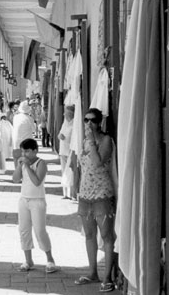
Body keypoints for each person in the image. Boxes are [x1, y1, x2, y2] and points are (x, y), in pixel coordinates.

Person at [74, 108, 116, 293]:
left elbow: (99, 162)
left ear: (99, 123)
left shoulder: (105, 140)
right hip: (85, 194)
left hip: (102, 194)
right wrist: (77, 186)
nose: (88, 124)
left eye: (92, 121)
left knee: (107, 236)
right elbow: (80, 166)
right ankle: (92, 272)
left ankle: (107, 277)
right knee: (89, 235)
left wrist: (91, 141)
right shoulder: (84, 141)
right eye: (86, 120)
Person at [13, 138, 58, 273]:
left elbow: (37, 182)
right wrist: (18, 166)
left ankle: (50, 259)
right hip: (24, 199)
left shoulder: (41, 163)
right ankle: (28, 260)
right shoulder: (22, 163)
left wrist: (27, 166)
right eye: (23, 151)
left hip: (37, 200)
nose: (24, 154)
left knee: (40, 231)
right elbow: (15, 179)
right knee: (24, 230)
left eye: (27, 151)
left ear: (34, 151)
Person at [58, 105, 75, 199]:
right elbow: (60, 134)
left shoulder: (74, 124)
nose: (64, 114)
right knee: (63, 172)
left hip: (70, 151)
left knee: (70, 172)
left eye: (66, 112)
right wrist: (60, 136)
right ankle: (65, 193)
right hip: (63, 150)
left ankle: (71, 193)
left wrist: (65, 138)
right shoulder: (65, 123)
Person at [12, 100, 35, 167]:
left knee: (16, 160)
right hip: (26, 144)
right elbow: (33, 129)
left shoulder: (15, 117)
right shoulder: (29, 118)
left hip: (16, 143)